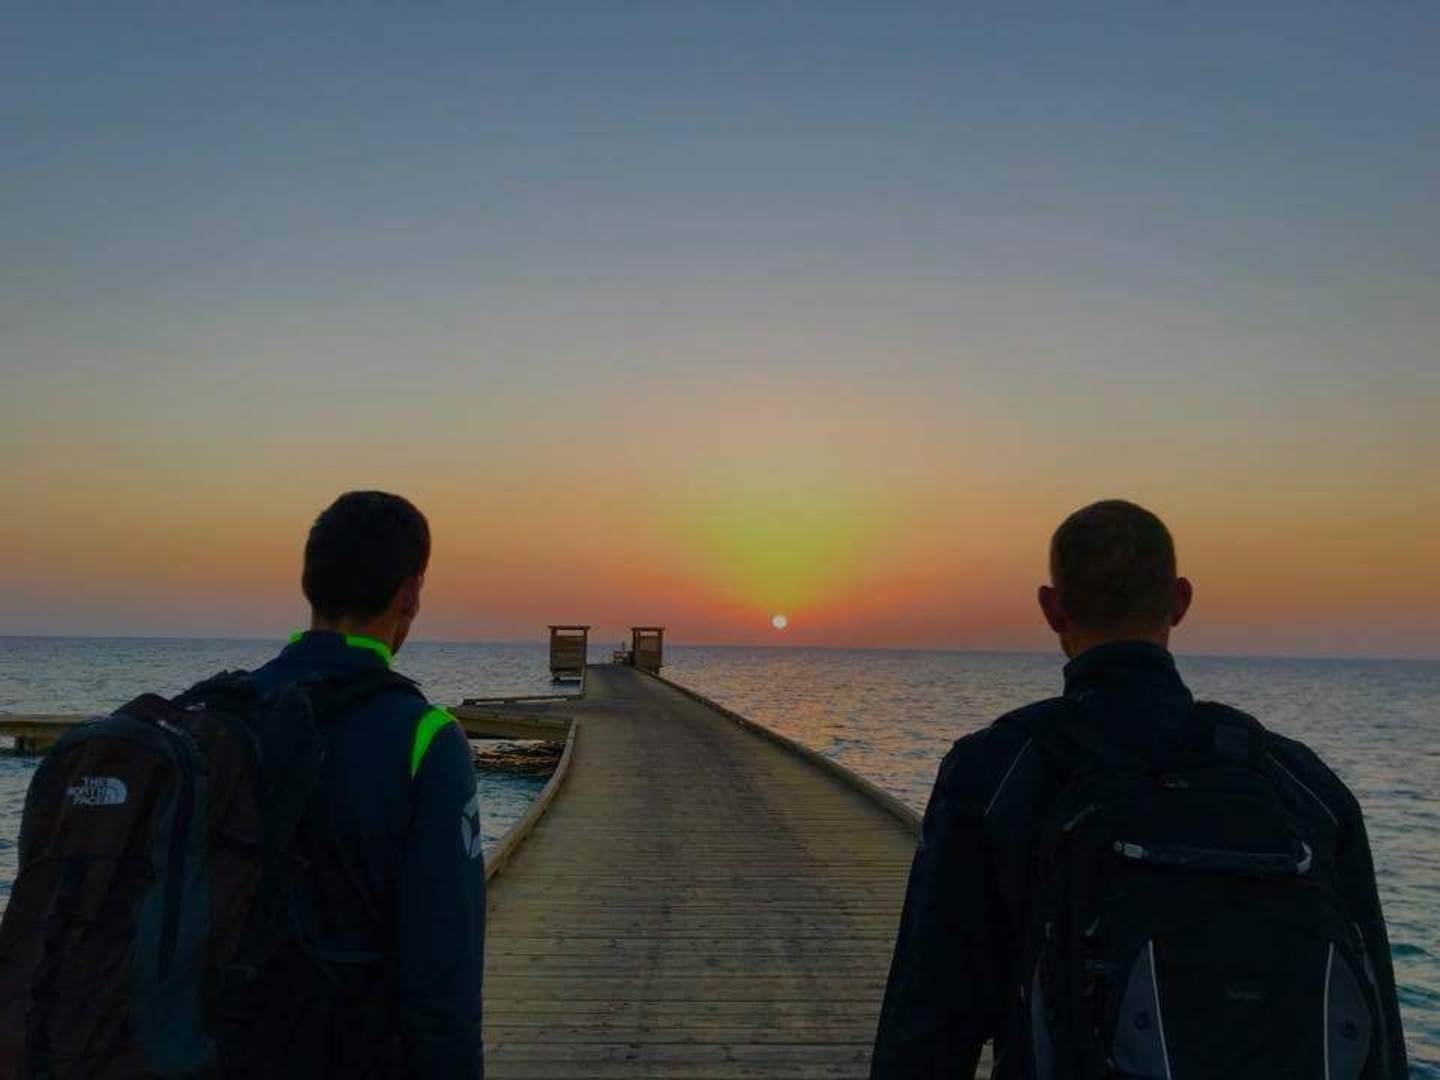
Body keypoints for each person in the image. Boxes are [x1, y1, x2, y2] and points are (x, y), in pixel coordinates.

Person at [870, 499, 1406, 1079]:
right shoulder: (1307, 787)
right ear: (1180, 601)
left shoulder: (997, 774)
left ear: (1052, 609)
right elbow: (1382, 1037)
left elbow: (927, 1025)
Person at [249, 490, 485, 1077]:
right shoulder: (425, 739)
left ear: (309, 583)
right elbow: (442, 976)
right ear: (410, 594)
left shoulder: (224, 715)